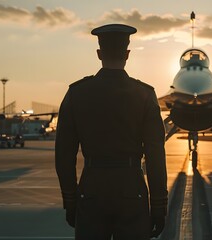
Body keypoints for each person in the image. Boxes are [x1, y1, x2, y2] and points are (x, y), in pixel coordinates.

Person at [55, 24, 168, 240]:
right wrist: (159, 205)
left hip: (91, 190)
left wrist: (70, 201)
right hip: (131, 190)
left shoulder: (77, 93)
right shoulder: (144, 94)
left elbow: (63, 154)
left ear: (99, 54)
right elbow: (155, 155)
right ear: (127, 54)